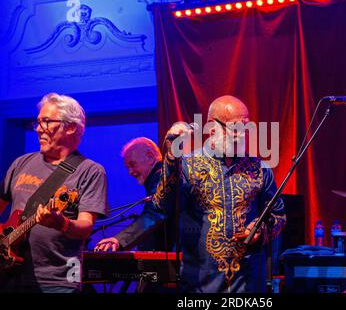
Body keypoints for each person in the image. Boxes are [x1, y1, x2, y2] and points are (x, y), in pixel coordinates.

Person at [153, 95, 286, 293]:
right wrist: (172, 159)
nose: (242, 135)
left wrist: (260, 229)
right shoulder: (188, 166)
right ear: (212, 128)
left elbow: (279, 216)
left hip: (248, 283)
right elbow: (163, 205)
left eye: (246, 128)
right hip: (201, 284)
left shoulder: (260, 169)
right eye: (235, 128)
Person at [0, 93, 108, 293]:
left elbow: (85, 226)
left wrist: (61, 222)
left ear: (71, 127)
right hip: (9, 275)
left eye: (47, 122)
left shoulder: (90, 171)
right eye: (38, 122)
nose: (39, 129)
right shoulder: (21, 163)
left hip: (58, 280)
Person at [94, 137, 175, 252]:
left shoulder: (164, 178)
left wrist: (119, 240)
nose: (130, 172)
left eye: (132, 164)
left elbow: (154, 213)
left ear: (150, 157)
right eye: (128, 167)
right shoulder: (160, 178)